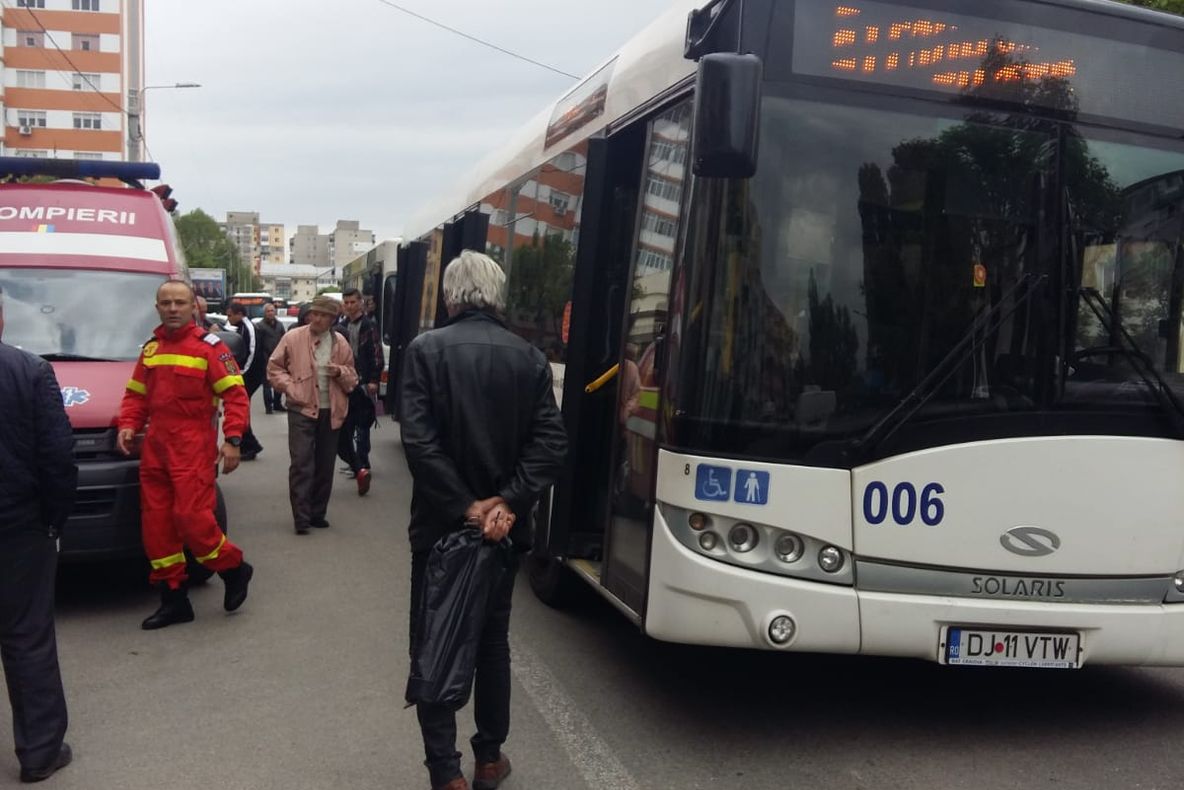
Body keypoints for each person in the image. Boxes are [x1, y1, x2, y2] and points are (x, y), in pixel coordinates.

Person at [400, 250, 567, 790]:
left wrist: (464, 506)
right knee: (492, 643)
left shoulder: (425, 350)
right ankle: (490, 758)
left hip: (439, 526)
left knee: (434, 639)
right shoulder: (530, 359)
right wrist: (508, 503)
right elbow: (550, 443)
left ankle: (446, 774)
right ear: (497, 297)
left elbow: (419, 442)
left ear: (451, 297)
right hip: (502, 533)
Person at [117, 281, 255, 630]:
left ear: (194, 307)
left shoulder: (210, 348)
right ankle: (174, 600)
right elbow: (136, 397)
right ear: (157, 307)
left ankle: (234, 568)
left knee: (193, 520)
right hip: (156, 450)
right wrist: (128, 425)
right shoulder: (150, 349)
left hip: (192, 449)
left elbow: (236, 396)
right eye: (166, 303)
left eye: (180, 302)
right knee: (157, 528)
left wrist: (233, 440)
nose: (173, 308)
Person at [0, 287, 76, 784]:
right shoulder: (29, 371)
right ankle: (40, 752)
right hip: (16, 526)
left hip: (19, 521)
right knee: (27, 636)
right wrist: (54, 520)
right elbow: (56, 459)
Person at [266, 295, 358, 535]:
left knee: (325, 464)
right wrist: (290, 386)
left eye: (323, 315)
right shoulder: (293, 337)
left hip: (332, 410)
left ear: (332, 319)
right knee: (301, 463)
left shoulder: (341, 343)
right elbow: (274, 367)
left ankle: (318, 513)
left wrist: (339, 372)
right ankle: (301, 517)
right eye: (314, 313)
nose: (316, 318)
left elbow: (352, 378)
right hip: (302, 408)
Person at [334, 288, 384, 495]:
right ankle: (355, 462)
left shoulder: (368, 325)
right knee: (348, 423)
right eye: (346, 302)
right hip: (346, 380)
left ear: (361, 303)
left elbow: (376, 353)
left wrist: (374, 379)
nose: (349, 305)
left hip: (364, 380)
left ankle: (363, 463)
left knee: (363, 423)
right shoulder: (341, 325)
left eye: (353, 302)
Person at [225, 301, 264, 460]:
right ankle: (249, 444)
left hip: (251, 374)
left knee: (240, 409)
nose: (228, 318)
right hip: (243, 373)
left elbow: (252, 353)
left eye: (230, 315)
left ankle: (250, 445)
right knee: (241, 409)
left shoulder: (249, 328)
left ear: (239, 314)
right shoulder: (238, 326)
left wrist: (241, 373)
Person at [255, 303, 287, 414]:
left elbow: (284, 339)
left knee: (279, 382)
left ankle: (277, 404)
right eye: (268, 311)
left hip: (279, 358)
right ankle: (268, 407)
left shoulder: (279, 325)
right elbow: (258, 344)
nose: (270, 313)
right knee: (267, 384)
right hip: (265, 359)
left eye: (272, 311)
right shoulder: (260, 326)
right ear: (264, 313)